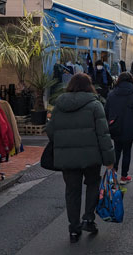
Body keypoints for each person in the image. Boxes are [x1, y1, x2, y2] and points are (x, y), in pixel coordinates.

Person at [46, 73, 115, 243]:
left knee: (72, 191)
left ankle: (74, 228)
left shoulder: (59, 105)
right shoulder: (94, 104)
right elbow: (103, 134)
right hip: (91, 156)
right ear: (89, 86)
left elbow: (50, 130)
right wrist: (109, 160)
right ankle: (88, 219)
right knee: (93, 184)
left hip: (67, 158)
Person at [104, 72, 133, 185]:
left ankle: (113, 175)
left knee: (116, 150)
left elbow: (106, 112)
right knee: (127, 152)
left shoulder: (112, 94)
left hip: (115, 127)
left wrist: (108, 125)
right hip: (130, 129)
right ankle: (124, 176)